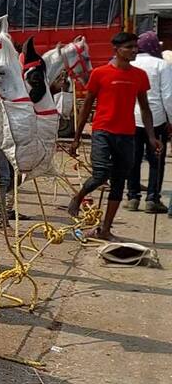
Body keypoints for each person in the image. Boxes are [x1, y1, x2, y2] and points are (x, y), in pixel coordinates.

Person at [67, 32, 162, 241]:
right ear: (117, 50)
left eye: (135, 47)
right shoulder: (100, 74)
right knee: (100, 174)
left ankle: (105, 230)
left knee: (119, 182)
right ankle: (78, 197)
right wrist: (76, 137)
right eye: (129, 47)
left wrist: (152, 136)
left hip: (127, 135)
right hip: (102, 132)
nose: (134, 50)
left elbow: (145, 109)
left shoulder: (139, 76)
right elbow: (87, 106)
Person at [124, 31, 172, 213]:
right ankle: (152, 199)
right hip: (157, 119)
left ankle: (132, 197)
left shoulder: (130, 63)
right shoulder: (162, 65)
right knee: (156, 160)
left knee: (133, 159)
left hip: (132, 118)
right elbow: (168, 96)